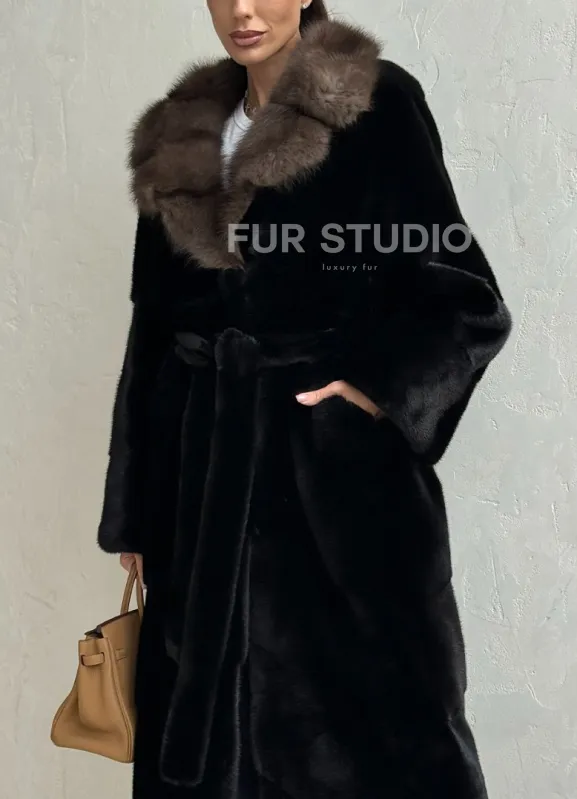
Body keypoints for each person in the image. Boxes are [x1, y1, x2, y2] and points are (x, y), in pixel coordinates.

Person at [98, 1, 513, 797]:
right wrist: (137, 511)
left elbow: (466, 298)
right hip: (198, 495)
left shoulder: (375, 103)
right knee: (207, 748)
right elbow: (150, 334)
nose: (242, 10)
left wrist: (371, 391)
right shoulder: (178, 135)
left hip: (335, 497)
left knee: (366, 743)